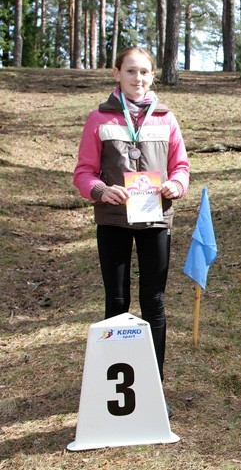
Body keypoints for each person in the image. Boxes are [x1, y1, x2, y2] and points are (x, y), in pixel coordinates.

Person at [73, 47, 190, 397]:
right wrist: (99, 190)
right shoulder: (98, 119)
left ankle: (154, 388)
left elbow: (181, 167)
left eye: (144, 72)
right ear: (116, 74)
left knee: (153, 302)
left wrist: (176, 185)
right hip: (113, 220)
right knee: (117, 301)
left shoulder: (166, 118)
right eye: (130, 71)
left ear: (152, 76)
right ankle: (114, 390)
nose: (138, 78)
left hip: (156, 220)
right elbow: (83, 172)